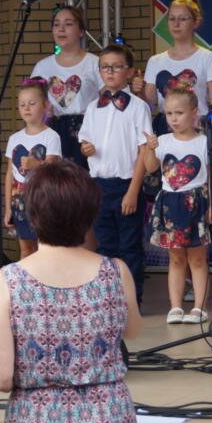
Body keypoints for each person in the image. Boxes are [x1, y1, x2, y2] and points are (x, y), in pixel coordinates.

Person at [0, 159, 149, 423]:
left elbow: (0, 378)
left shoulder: (7, 280)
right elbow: (133, 331)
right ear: (88, 214)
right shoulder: (115, 271)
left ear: (33, 214)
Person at [78, 43, 152, 304]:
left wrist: (133, 190)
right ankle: (109, 300)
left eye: (116, 67)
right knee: (105, 246)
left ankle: (131, 300)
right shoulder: (92, 107)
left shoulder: (138, 107)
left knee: (129, 246)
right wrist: (86, 148)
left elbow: (144, 150)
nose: (109, 72)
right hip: (99, 185)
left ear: (129, 72)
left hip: (126, 184)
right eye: (105, 67)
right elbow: (85, 141)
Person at [142, 88, 211, 324]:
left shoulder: (204, 142)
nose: (173, 118)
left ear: (194, 113)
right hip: (170, 204)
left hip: (196, 203)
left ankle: (200, 307)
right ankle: (176, 306)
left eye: (179, 113)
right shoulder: (163, 141)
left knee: (197, 258)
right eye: (169, 113)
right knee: (176, 258)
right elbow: (151, 168)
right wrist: (150, 149)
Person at [139, 0, 212, 150]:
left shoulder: (208, 58)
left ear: (196, 22)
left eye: (183, 19)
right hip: (165, 132)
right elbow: (147, 107)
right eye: (172, 19)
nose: (176, 24)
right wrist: (139, 92)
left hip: (197, 132)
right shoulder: (155, 61)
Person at [29, 4, 101, 167]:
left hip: (87, 133)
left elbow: (108, 98)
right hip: (52, 130)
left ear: (81, 31)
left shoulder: (94, 62)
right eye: (56, 24)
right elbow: (31, 100)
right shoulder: (42, 67)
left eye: (68, 24)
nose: (61, 29)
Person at [3, 79, 61, 259]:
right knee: (25, 247)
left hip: (43, 197)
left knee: (45, 247)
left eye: (32, 103)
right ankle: (26, 277)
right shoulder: (14, 138)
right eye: (22, 105)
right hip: (19, 199)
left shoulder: (51, 136)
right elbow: (10, 175)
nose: (26, 108)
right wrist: (8, 208)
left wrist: (36, 165)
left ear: (45, 105)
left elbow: (53, 168)